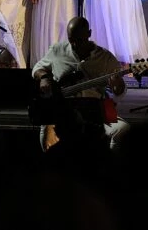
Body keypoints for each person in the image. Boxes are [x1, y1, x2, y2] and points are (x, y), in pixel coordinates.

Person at [32, 16, 130, 150]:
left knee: (123, 130)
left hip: (94, 111)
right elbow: (38, 68)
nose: (74, 44)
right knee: (48, 128)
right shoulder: (57, 50)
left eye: (79, 40)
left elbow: (119, 92)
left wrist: (117, 86)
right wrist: (43, 77)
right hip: (63, 110)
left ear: (89, 34)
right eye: (71, 40)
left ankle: (109, 162)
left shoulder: (105, 57)